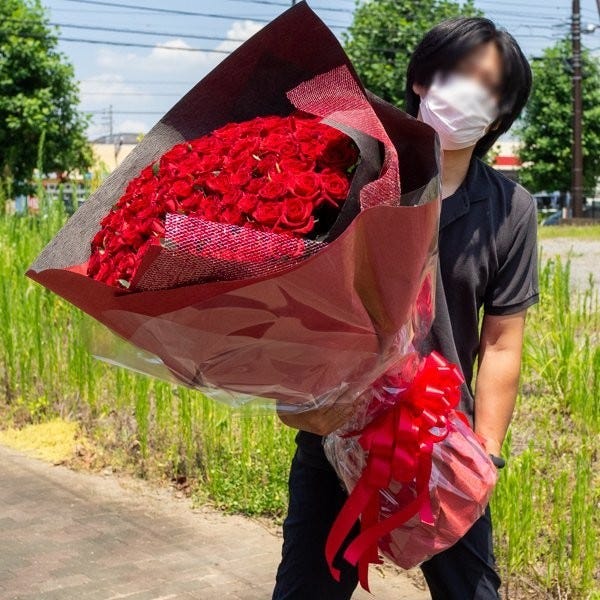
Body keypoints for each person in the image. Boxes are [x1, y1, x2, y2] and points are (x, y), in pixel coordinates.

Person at [272, 16, 539, 600]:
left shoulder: (509, 208)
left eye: (490, 89)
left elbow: (501, 342)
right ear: (422, 79)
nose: (471, 94)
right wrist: (298, 396)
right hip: (337, 434)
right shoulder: (351, 174)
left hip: (445, 449)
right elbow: (297, 301)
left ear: (500, 114)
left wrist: (486, 456)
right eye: (460, 73)